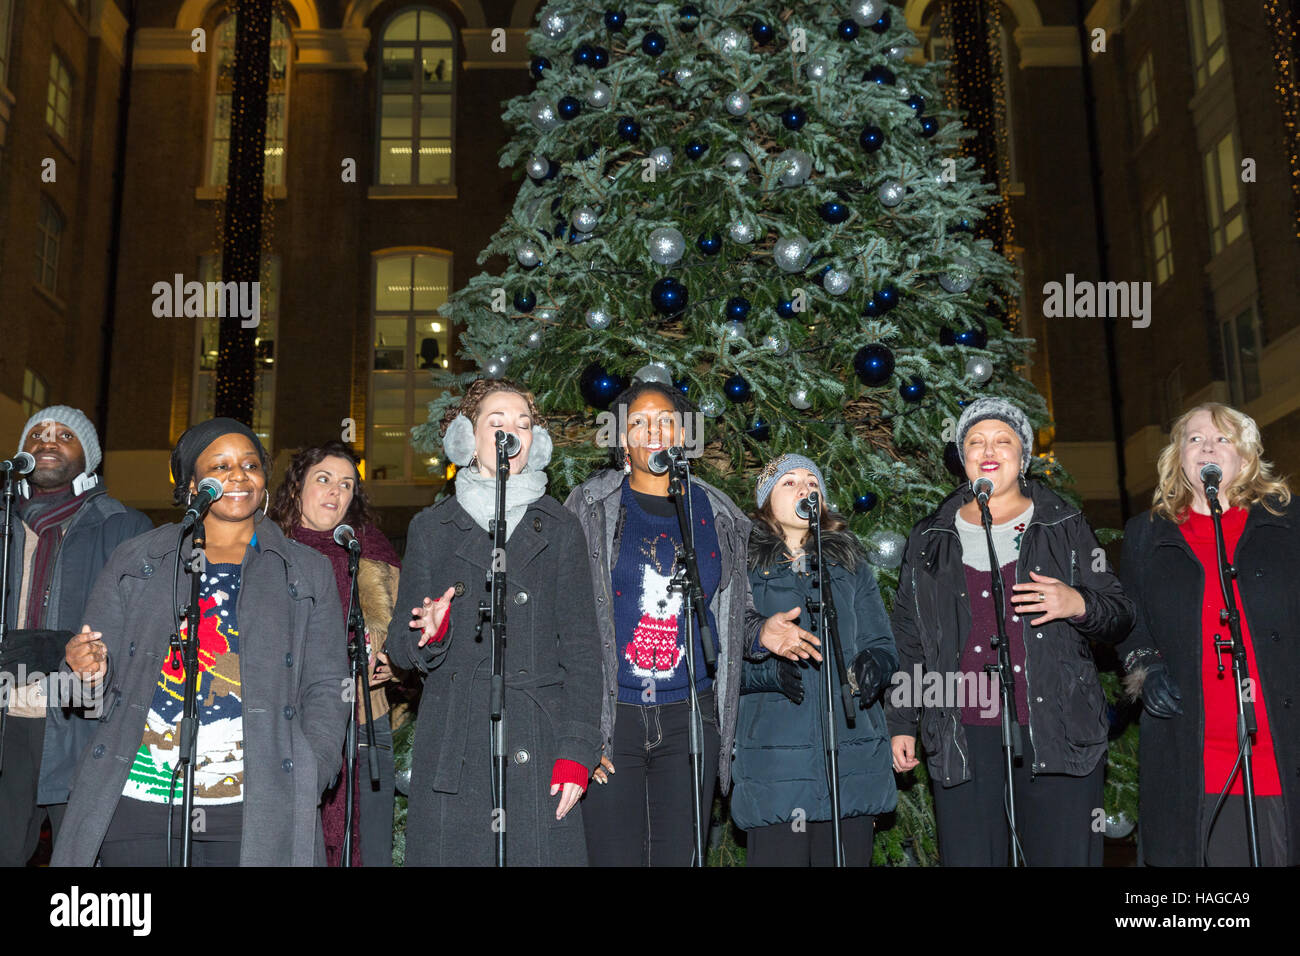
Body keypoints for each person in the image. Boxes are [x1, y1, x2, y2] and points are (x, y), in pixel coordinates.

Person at [51, 418, 350, 866]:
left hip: (254, 808)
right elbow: (81, 687)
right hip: (136, 804)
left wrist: (312, 768)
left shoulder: (305, 571)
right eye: (220, 465)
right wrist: (83, 670)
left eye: (250, 465)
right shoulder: (139, 559)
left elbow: (328, 685)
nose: (238, 476)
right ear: (192, 483)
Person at [565, 378, 822, 866]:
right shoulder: (588, 508)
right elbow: (565, 619)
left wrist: (760, 631)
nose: (653, 430)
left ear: (683, 434)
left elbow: (733, 610)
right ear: (623, 440)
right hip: (611, 716)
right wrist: (580, 732)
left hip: (691, 718)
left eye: (665, 420)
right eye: (638, 422)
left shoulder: (717, 512)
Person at [884, 397, 1134, 866]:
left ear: (1023, 456)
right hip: (964, 732)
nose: (988, 449)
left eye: (1003, 440)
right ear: (962, 457)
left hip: (1057, 728)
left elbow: (1119, 614)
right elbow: (910, 638)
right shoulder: (929, 537)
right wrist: (902, 722)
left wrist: (1077, 602)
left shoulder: (1064, 524)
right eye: (975, 442)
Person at [385, 379, 603, 866]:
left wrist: (577, 751)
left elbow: (585, 654)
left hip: (541, 742)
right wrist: (432, 632)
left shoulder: (561, 527)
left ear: (537, 443)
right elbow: (400, 646)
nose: (512, 434)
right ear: (466, 437)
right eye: (496, 422)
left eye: (524, 425)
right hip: (455, 746)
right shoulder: (431, 528)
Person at [1118, 403, 1299, 866]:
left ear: (1246, 454)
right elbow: (1129, 619)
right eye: (1194, 438)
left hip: (1277, 747)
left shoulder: (1288, 522)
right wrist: (1146, 667)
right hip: (1191, 752)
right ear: (1179, 456)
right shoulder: (1146, 534)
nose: (1208, 446)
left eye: (1222, 438)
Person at [0, 406, 151, 866]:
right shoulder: (4, 522)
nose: (47, 440)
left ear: (89, 456)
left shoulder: (125, 529)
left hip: (81, 720)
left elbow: (140, 636)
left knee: (82, 863)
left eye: (64, 434)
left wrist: (54, 647)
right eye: (37, 434)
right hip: (7, 717)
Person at [731, 454, 898, 866]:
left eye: (812, 482)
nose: (805, 489)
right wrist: (771, 670)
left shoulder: (849, 563)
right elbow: (719, 660)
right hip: (776, 771)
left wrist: (874, 666)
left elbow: (883, 641)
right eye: (789, 483)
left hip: (851, 764)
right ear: (767, 502)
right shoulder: (743, 566)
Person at [269, 441, 401, 867]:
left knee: (370, 847)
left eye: (346, 485)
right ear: (296, 489)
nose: (335, 492)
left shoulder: (370, 550)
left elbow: (407, 634)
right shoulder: (267, 550)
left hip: (365, 720)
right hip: (285, 725)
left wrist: (394, 665)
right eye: (323, 480)